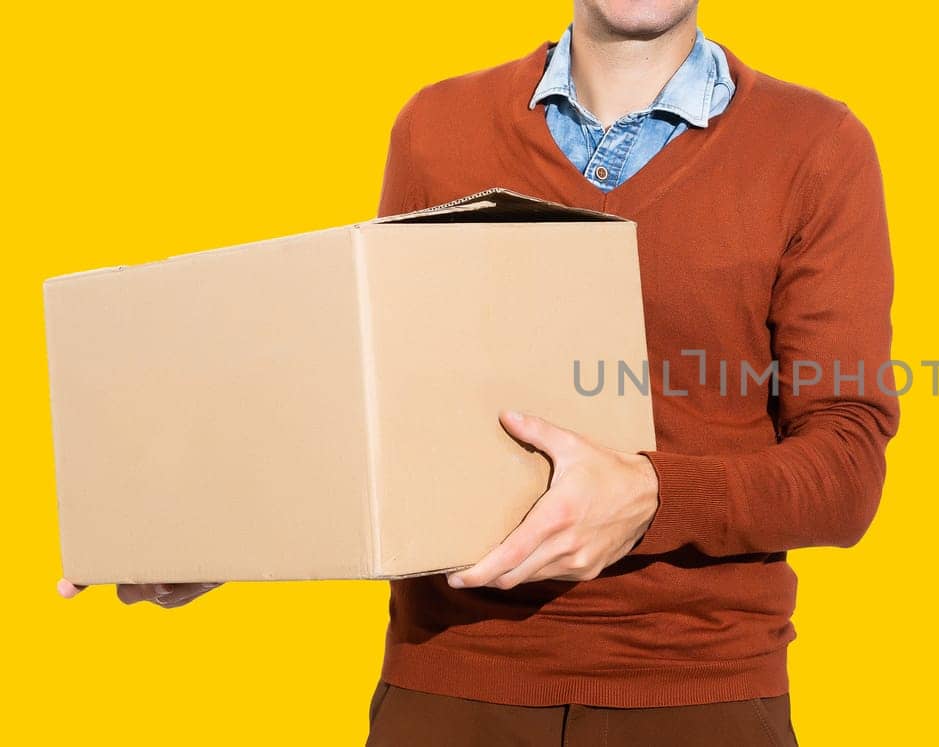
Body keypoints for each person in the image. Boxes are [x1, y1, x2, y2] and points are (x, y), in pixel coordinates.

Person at [60, 1, 896, 743]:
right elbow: (382, 408)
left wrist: (651, 496)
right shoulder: (438, 127)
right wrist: (223, 534)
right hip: (451, 686)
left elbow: (847, 464)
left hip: (695, 695)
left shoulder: (815, 147)